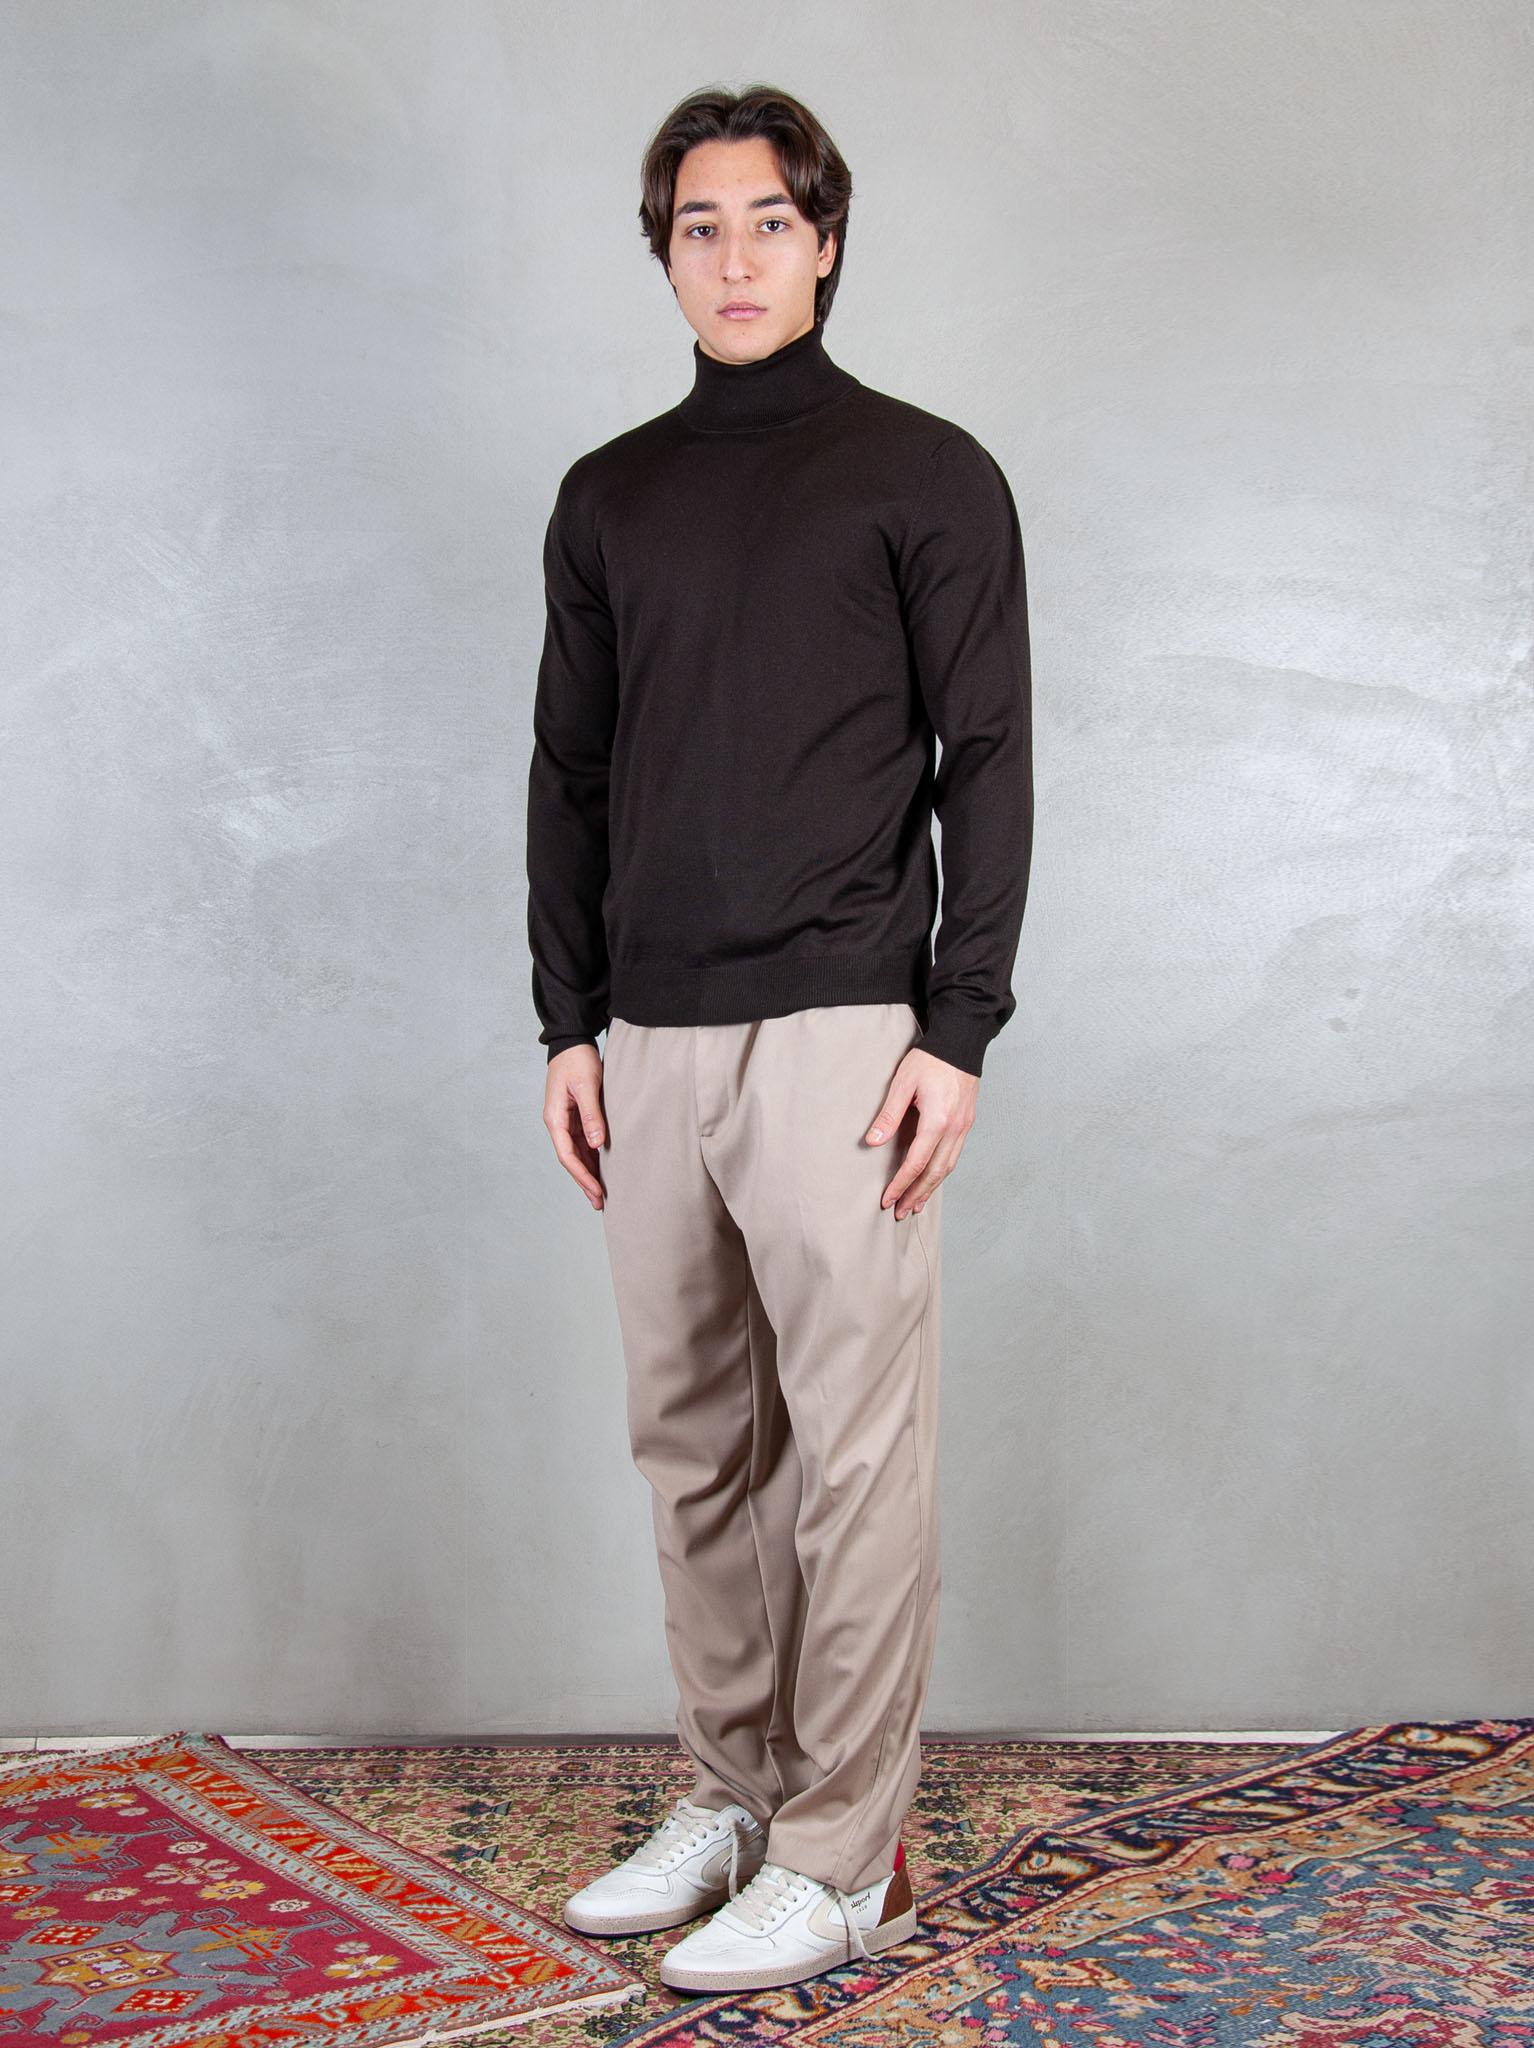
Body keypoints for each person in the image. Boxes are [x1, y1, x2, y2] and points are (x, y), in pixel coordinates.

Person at [525, 82, 1033, 1998]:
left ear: (823, 242)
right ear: (664, 254)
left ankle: (839, 1855)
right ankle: (732, 1796)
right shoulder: (608, 496)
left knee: (851, 1461)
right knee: (694, 1448)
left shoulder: (925, 473)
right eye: (698, 227)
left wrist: (956, 1023)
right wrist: (567, 1020)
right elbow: (570, 771)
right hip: (647, 1035)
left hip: (841, 1026)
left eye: (766, 222)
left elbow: (986, 758)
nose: (732, 258)